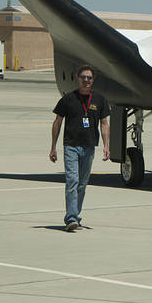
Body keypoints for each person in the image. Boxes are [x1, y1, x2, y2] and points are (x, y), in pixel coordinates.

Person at [49, 65, 110, 232]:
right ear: (78, 78)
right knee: (72, 181)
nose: (86, 80)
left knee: (82, 184)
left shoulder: (100, 100)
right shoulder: (68, 99)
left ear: (93, 80)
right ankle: (71, 218)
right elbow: (57, 122)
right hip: (71, 146)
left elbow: (104, 124)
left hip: (89, 147)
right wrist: (53, 147)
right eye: (83, 77)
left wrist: (106, 145)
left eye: (89, 78)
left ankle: (75, 215)